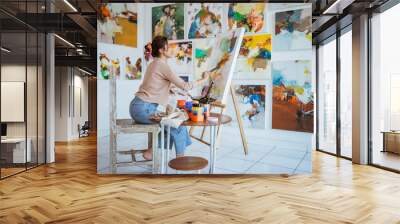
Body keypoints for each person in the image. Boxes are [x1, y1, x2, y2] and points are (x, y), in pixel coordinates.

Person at [130, 36, 210, 161]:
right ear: (162, 50)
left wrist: (172, 89)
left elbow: (157, 85)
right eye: (168, 47)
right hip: (143, 109)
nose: (172, 50)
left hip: (138, 107)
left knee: (174, 124)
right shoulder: (162, 66)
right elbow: (185, 85)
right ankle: (180, 159)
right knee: (177, 125)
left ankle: (151, 152)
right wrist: (204, 79)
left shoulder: (153, 64)